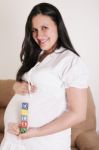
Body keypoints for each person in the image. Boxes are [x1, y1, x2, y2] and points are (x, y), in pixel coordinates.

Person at [1, 2, 88, 150]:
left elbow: (78, 113)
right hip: (15, 140)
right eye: (34, 30)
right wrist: (17, 86)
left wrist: (36, 132)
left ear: (58, 26)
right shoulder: (37, 55)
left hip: (42, 143)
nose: (38, 35)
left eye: (44, 28)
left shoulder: (70, 61)